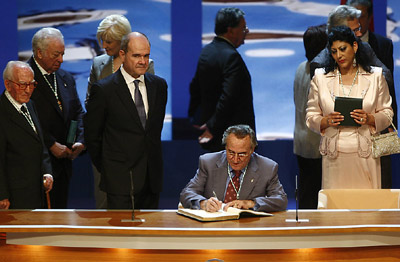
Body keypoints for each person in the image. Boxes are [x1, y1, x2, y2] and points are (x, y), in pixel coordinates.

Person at [309, 5, 396, 189]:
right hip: (334, 157)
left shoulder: (375, 76)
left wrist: (371, 118)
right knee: (335, 212)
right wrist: (325, 121)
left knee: (367, 210)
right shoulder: (320, 77)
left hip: (367, 155)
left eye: (343, 49)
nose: (339, 56)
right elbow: (310, 116)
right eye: (334, 51)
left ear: (355, 46)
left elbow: (388, 112)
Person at [85, 32, 168, 209]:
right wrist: (110, 169)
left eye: (146, 56)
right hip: (119, 182)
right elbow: (93, 137)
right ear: (122, 54)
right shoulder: (104, 90)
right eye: (137, 55)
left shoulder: (159, 86)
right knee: (121, 235)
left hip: (151, 180)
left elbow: (153, 132)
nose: (143, 61)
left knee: (150, 233)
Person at [28, 27, 85, 208]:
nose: (61, 60)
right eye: (56, 55)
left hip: (63, 164)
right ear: (39, 52)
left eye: (62, 54)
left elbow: (76, 113)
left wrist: (76, 141)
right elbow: (24, 118)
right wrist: (51, 144)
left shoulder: (65, 77)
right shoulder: (23, 77)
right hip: (36, 166)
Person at [188, 7, 255, 152]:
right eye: (243, 28)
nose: (247, 31)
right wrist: (211, 127)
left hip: (212, 140)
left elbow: (195, 87)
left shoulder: (206, 52)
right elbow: (228, 97)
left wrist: (197, 120)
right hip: (234, 141)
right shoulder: (231, 57)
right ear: (230, 30)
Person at [347, 0, 397, 189]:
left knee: (382, 177)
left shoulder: (383, 45)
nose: (358, 21)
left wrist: (393, 123)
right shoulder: (339, 48)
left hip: (378, 120)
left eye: (361, 16)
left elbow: (389, 87)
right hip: (351, 126)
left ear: (370, 17)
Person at [180, 125, 287, 213]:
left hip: (248, 229)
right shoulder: (209, 162)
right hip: (214, 227)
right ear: (225, 148)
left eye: (242, 154)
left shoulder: (267, 167)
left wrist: (250, 203)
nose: (235, 160)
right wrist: (204, 203)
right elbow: (187, 193)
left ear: (252, 150)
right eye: (231, 152)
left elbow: (281, 200)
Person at [0, 61, 53, 209]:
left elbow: (39, 143)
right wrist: (2, 194)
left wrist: (47, 172)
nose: (28, 90)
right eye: (22, 84)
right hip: (14, 195)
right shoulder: (2, 111)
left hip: (37, 190)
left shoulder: (30, 105)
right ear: (7, 84)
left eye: (32, 84)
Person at [293, 25, 327, 209]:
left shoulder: (300, 68)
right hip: (316, 144)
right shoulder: (319, 74)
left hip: (301, 140)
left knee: (307, 190)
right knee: (314, 194)